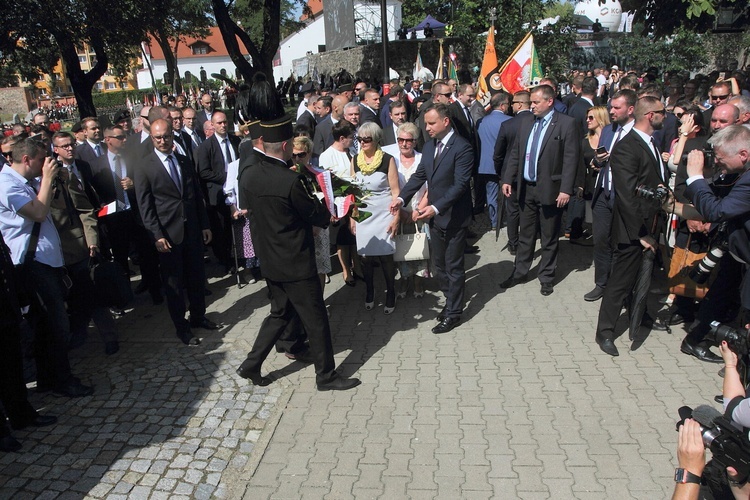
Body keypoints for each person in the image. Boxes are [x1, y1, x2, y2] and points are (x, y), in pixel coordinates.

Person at [236, 116, 360, 392]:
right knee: (316, 320)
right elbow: (316, 215)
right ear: (284, 145)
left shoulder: (250, 174)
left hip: (270, 259)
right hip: (295, 261)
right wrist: (328, 210)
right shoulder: (290, 181)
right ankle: (326, 376)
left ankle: (251, 364)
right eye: (291, 143)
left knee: (279, 313)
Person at [0, 137, 94, 397]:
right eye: (42, 159)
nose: (46, 164)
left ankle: (48, 378)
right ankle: (62, 379)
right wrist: (49, 179)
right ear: (27, 160)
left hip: (46, 263)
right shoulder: (7, 185)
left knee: (46, 326)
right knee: (56, 324)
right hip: (32, 266)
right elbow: (39, 213)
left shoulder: (26, 182)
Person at [594, 96, 669, 357]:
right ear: (651, 115)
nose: (666, 116)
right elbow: (625, 195)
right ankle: (605, 331)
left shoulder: (651, 142)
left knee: (643, 277)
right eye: (663, 112)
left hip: (650, 223)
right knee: (620, 281)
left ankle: (641, 313)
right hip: (631, 230)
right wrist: (642, 233)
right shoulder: (628, 146)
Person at [390, 103, 474, 334]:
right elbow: (420, 176)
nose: (426, 128)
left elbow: (459, 185)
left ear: (445, 122)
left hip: (454, 216)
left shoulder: (462, 148)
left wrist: (435, 207)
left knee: (453, 266)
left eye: (431, 123)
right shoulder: (429, 147)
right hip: (435, 219)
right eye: (425, 123)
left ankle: (454, 313)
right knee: (440, 265)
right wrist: (400, 199)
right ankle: (449, 302)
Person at [135, 119, 218, 346]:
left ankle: (198, 316)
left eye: (167, 136)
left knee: (197, 276)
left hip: (191, 229)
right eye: (158, 137)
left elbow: (195, 195)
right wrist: (156, 235)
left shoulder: (183, 160)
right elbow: (146, 206)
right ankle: (181, 327)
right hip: (167, 234)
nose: (163, 141)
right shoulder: (144, 166)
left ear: (173, 135)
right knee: (173, 282)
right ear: (151, 138)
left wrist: (204, 224)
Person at [500, 85, 579, 296]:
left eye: (536, 102)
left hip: (551, 190)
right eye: (531, 102)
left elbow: (571, 160)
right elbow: (516, 153)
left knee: (549, 236)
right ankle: (520, 271)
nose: (531, 106)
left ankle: (546, 276)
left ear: (549, 101)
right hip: (526, 188)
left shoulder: (566, 124)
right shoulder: (526, 122)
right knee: (525, 234)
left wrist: (565, 190)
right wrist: (508, 178)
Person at [585, 90, 637, 302]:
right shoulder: (607, 130)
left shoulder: (637, 133)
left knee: (621, 245)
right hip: (602, 195)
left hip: (624, 198)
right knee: (600, 241)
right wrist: (598, 161)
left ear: (630, 109)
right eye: (610, 107)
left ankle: (621, 289)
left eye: (617, 108)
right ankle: (601, 283)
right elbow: (600, 157)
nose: (611, 111)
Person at [350, 122, 400, 314]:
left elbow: (395, 192)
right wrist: (352, 218)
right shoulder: (355, 160)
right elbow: (352, 193)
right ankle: (370, 290)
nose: (362, 142)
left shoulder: (388, 160)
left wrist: (395, 218)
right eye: (359, 139)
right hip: (363, 213)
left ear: (377, 139)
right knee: (365, 257)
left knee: (386, 255)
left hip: (383, 213)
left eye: (366, 139)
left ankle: (390, 291)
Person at [382, 122, 429, 298]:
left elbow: (430, 188)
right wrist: (401, 212)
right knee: (401, 248)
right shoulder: (391, 160)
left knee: (420, 247)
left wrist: (419, 210)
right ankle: (403, 280)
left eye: (408, 140)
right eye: (400, 140)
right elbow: (389, 189)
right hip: (398, 212)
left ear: (415, 141)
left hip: (420, 211)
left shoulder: (422, 159)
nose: (404, 144)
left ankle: (418, 282)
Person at [196, 111, 240, 273]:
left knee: (237, 226)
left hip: (236, 192)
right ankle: (225, 260)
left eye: (225, 122)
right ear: (212, 125)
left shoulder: (235, 141)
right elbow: (203, 172)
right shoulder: (206, 146)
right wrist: (226, 177)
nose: (223, 125)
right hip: (218, 194)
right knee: (222, 230)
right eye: (219, 123)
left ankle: (241, 256)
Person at [319, 120, 359, 286]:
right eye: (351, 137)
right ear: (342, 138)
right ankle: (346, 270)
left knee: (355, 238)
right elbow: (325, 184)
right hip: (339, 203)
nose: (354, 139)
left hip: (355, 200)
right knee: (343, 239)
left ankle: (357, 267)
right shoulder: (326, 156)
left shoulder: (352, 150)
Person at [493, 90, 533, 255]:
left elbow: (498, 154)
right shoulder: (536, 123)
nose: (511, 106)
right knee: (529, 209)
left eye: (514, 102)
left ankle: (513, 242)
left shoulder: (508, 125)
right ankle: (527, 240)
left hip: (511, 174)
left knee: (512, 210)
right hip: (530, 174)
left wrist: (501, 174)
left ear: (521, 104)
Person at [293, 136, 331, 289]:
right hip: (298, 229)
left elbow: (328, 201)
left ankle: (320, 304)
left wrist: (319, 223)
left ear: (308, 154)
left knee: (320, 267)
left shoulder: (319, 174)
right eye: (293, 155)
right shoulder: (287, 175)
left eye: (301, 154)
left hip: (318, 228)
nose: (297, 158)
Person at [476, 92, 511, 230]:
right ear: (502, 106)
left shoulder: (481, 122)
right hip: (504, 164)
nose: (509, 107)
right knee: (508, 192)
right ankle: (509, 219)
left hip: (486, 165)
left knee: (491, 194)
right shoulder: (509, 121)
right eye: (508, 104)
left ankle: (494, 221)